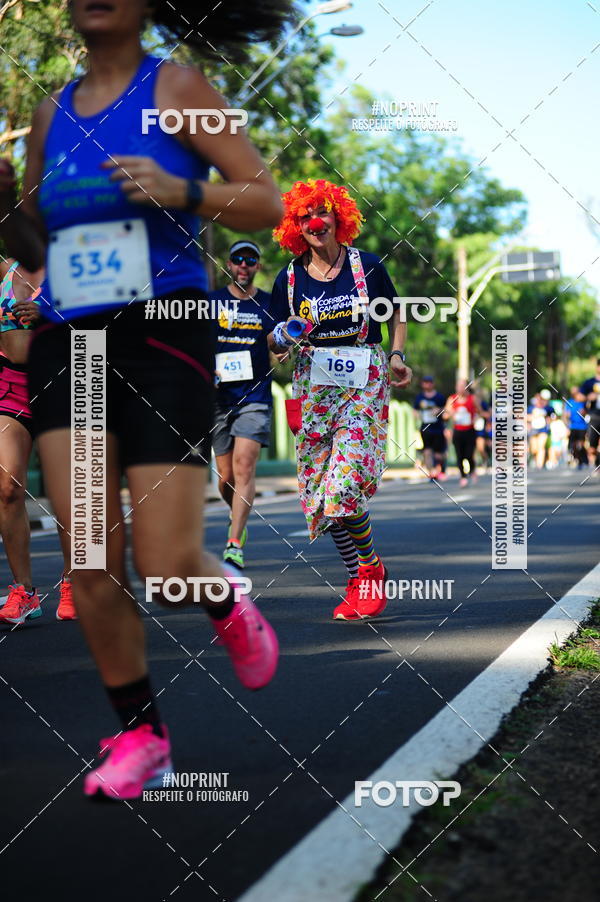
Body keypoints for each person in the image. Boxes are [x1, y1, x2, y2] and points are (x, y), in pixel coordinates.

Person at [0, 0, 291, 800]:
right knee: (90, 554)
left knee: (164, 567)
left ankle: (222, 599)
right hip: (73, 340)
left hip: (163, 329)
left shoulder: (178, 85)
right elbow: (32, 241)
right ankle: (139, 732)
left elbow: (266, 201)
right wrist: (4, 211)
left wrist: (181, 190)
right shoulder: (49, 111)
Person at [268, 179, 412, 621]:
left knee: (343, 483)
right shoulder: (289, 278)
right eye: (305, 218)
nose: (316, 223)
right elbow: (273, 345)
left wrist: (397, 355)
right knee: (319, 493)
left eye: (323, 213)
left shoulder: (367, 267)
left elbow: (396, 312)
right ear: (297, 228)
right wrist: (283, 334)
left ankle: (370, 571)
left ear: (338, 218)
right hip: (313, 384)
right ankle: (357, 575)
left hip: (364, 379)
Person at [0, 260, 75, 624]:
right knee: (7, 485)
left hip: (62, 387)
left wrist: (49, 317)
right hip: (9, 389)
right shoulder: (3, 272)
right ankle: (24, 592)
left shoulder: (76, 268)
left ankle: (75, 581)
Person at [208, 240, 274, 569]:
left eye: (250, 260)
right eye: (238, 260)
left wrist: (286, 347)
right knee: (225, 477)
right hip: (218, 399)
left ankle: (235, 541)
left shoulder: (268, 304)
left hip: (255, 397)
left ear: (257, 266)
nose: (244, 265)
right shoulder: (211, 302)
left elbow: (279, 344)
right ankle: (236, 514)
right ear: (229, 265)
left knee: (244, 466)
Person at [444, 379, 481, 487]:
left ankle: (472, 470)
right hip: (458, 431)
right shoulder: (452, 399)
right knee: (459, 455)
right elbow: (446, 414)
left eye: (462, 386)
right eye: (458, 386)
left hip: (469, 430)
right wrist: (451, 413)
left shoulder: (472, 399)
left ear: (467, 387)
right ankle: (463, 476)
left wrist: (475, 418)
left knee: (469, 454)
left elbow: (479, 412)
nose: (459, 388)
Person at [412, 375, 447, 480]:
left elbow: (447, 409)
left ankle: (441, 467)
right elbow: (415, 410)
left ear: (433, 384)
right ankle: (432, 473)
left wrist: (439, 411)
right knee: (427, 451)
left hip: (438, 428)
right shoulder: (419, 397)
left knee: (438, 454)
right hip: (425, 428)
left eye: (429, 382)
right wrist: (418, 415)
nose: (427, 384)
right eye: (425, 382)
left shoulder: (439, 397)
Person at [579, 359, 600, 470]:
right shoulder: (589, 382)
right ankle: (597, 461)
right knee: (592, 446)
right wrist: (588, 397)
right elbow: (579, 396)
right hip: (594, 416)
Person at [564, 386, 588, 468]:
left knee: (581, 445)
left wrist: (584, 412)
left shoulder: (583, 402)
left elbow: (587, 412)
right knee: (573, 446)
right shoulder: (570, 402)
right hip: (573, 427)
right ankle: (577, 459)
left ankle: (583, 460)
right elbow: (566, 415)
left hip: (582, 427)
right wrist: (567, 426)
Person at [527, 392, 553, 469]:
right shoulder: (531, 408)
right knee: (534, 449)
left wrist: (549, 419)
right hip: (533, 430)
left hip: (543, 430)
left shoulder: (546, 408)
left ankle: (539, 465)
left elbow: (552, 416)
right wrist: (532, 417)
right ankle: (536, 460)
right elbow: (525, 417)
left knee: (541, 447)